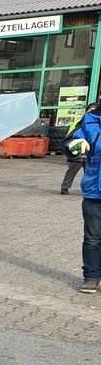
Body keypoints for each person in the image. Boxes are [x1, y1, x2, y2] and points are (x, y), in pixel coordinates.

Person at [66, 102, 101, 293]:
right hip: (94, 191)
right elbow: (69, 142)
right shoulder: (90, 120)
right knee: (93, 238)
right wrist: (75, 145)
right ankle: (92, 276)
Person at [60, 99, 97, 195]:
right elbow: (68, 141)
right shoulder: (79, 126)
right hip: (78, 156)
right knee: (71, 172)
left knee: (91, 174)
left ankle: (91, 189)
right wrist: (73, 148)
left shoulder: (97, 128)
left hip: (90, 157)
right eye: (89, 111)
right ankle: (65, 187)